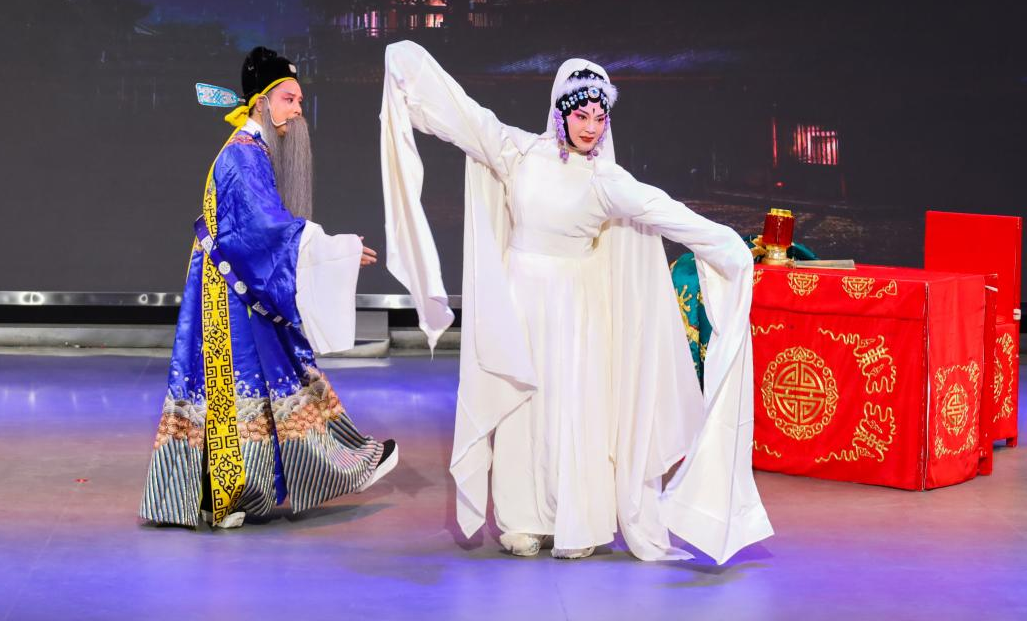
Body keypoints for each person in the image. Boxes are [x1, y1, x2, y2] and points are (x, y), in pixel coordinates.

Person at [380, 41, 772, 562]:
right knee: (521, 406)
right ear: (560, 113)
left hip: (576, 309)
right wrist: (409, 66)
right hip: (521, 302)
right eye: (581, 115)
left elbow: (667, 212)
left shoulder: (606, 180)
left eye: (599, 117)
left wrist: (728, 247)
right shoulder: (520, 153)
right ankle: (522, 519)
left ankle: (578, 520)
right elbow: (465, 117)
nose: (590, 127)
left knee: (575, 408)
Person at [141, 47, 396, 529]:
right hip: (230, 292)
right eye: (289, 99)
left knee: (265, 377)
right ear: (261, 102)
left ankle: (227, 494)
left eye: (299, 100)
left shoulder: (250, 151)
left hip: (237, 283)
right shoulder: (242, 155)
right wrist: (332, 249)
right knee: (242, 381)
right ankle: (227, 494)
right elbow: (264, 227)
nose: (298, 109)